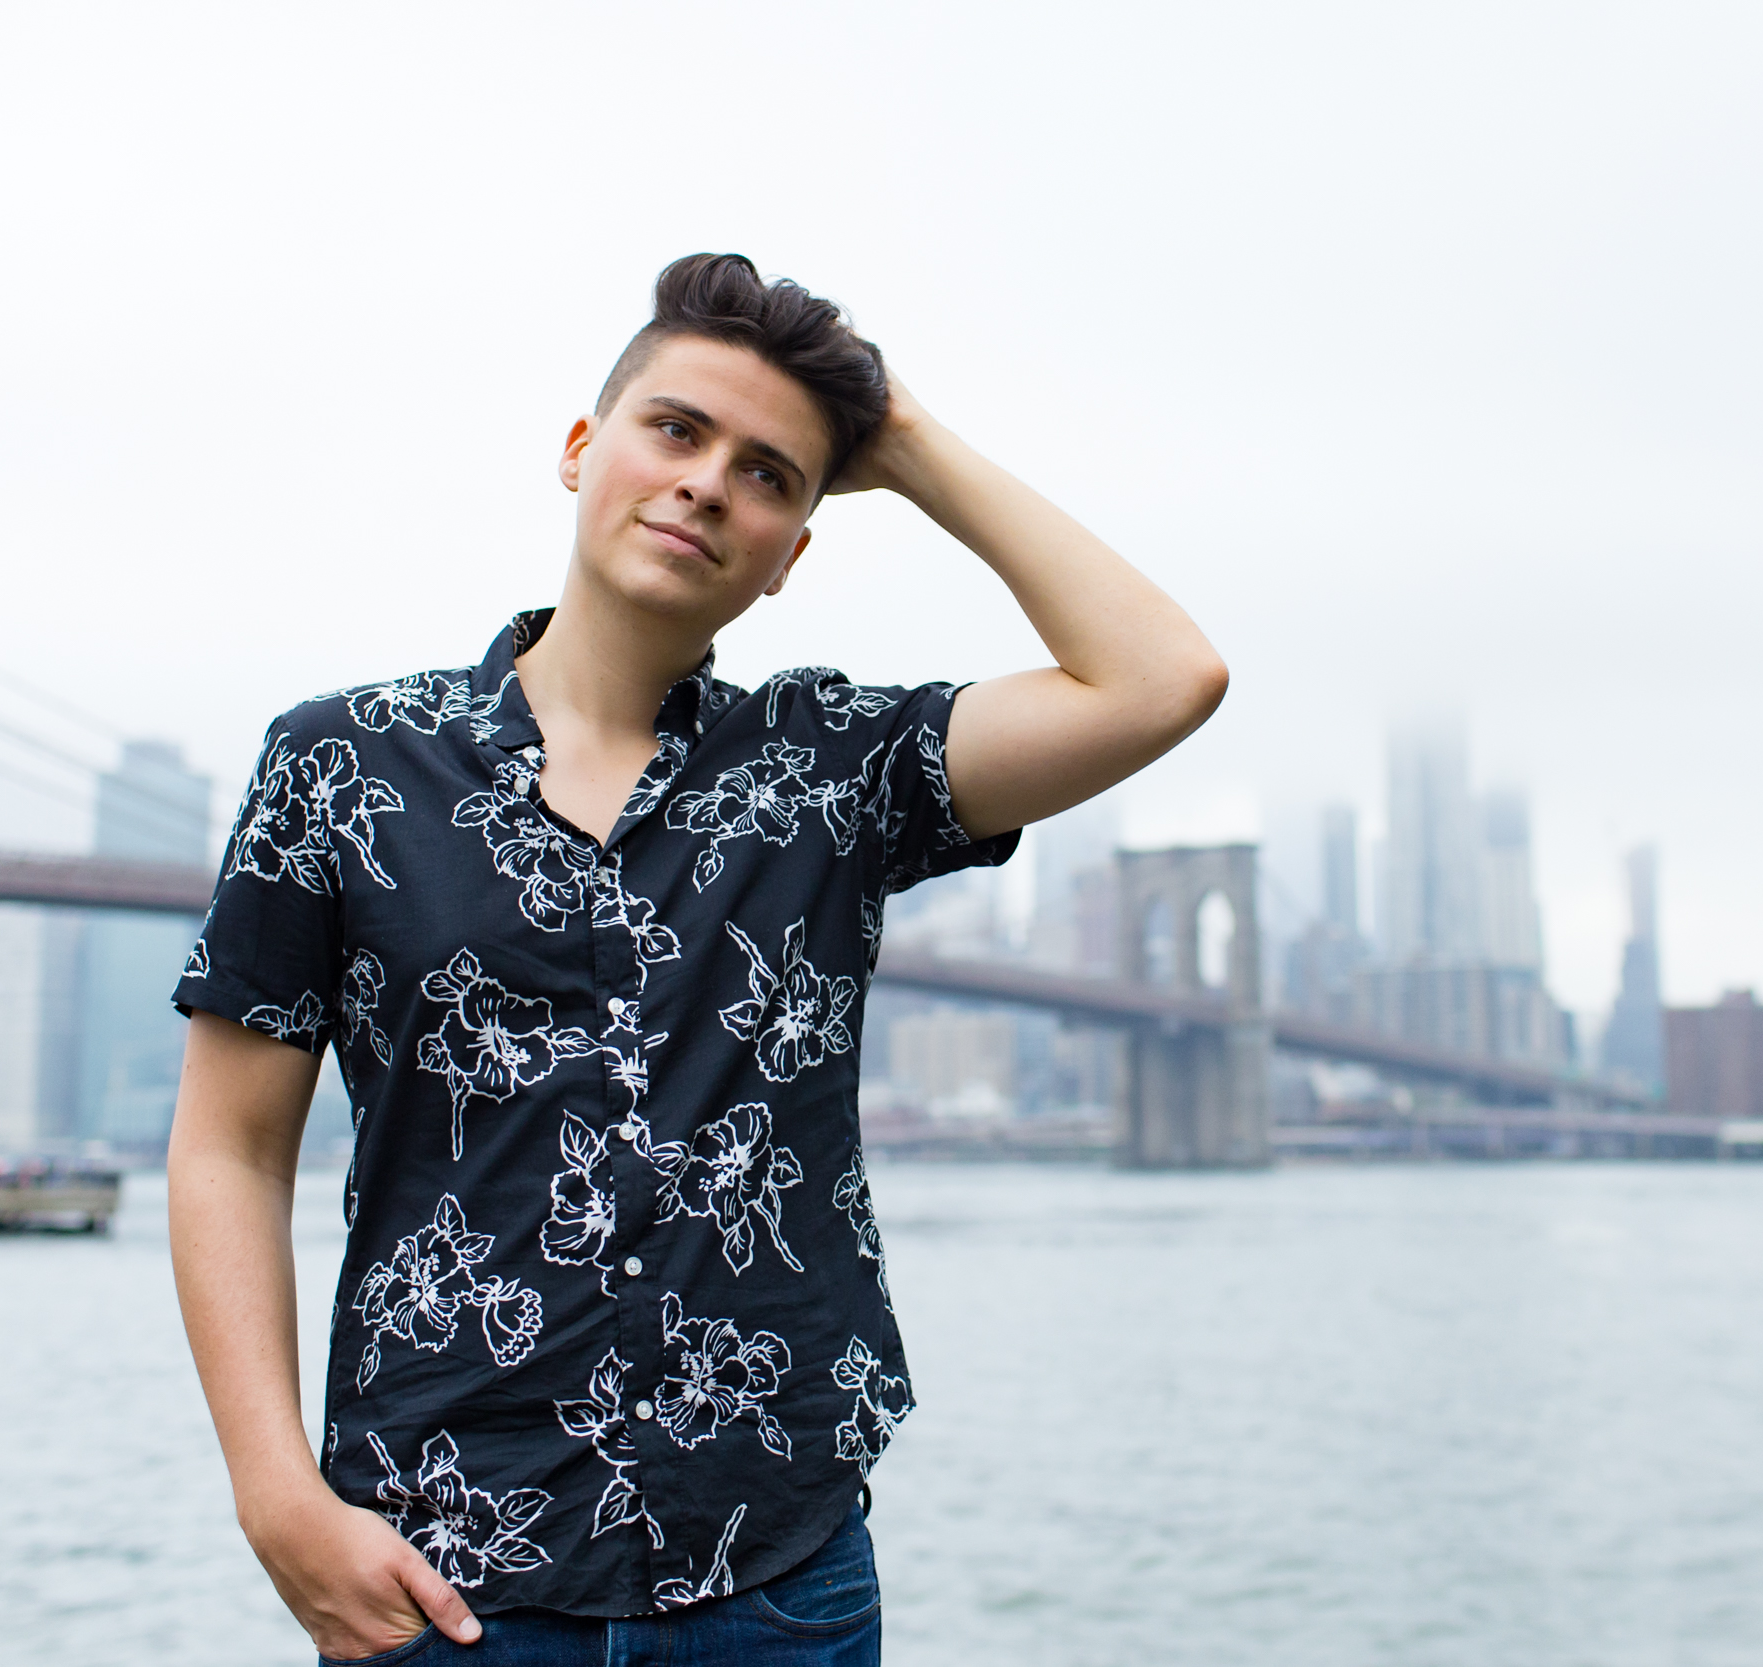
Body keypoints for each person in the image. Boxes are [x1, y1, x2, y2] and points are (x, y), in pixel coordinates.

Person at [168, 252, 1226, 1666]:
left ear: (794, 551)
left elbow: (1165, 679)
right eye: (675, 429)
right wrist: (274, 1496)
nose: (709, 482)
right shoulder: (342, 764)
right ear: (579, 450)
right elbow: (228, 1149)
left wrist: (898, 435)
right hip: (437, 1576)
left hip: (775, 1583)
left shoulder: (833, 772)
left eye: (770, 473)